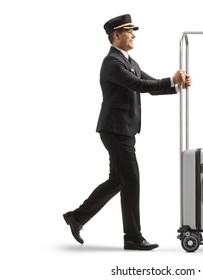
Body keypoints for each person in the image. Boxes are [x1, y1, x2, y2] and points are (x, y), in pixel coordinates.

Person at [63, 14, 191, 250]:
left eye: (133, 31)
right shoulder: (112, 63)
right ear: (116, 35)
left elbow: (151, 86)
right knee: (131, 180)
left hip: (124, 129)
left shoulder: (130, 62)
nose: (133, 35)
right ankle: (132, 237)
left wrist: (177, 85)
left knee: (118, 180)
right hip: (115, 129)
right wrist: (170, 80)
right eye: (129, 31)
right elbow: (139, 85)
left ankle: (77, 217)